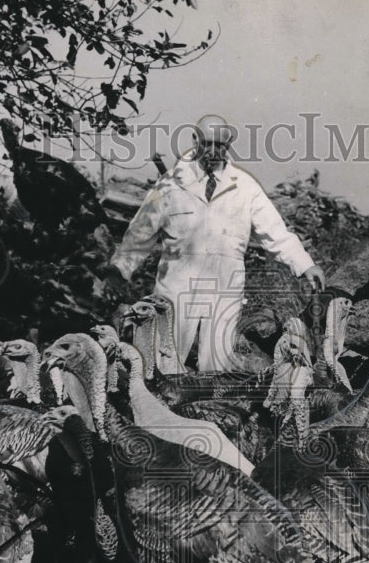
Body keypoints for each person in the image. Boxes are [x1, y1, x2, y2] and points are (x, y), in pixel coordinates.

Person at [103, 114, 325, 373]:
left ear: (228, 145)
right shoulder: (170, 184)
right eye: (206, 143)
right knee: (163, 363)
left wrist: (306, 265)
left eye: (220, 145)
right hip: (176, 286)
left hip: (224, 285)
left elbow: (276, 233)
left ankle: (207, 413)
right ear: (195, 139)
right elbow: (139, 235)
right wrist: (118, 270)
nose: (212, 151)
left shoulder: (244, 187)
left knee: (215, 367)